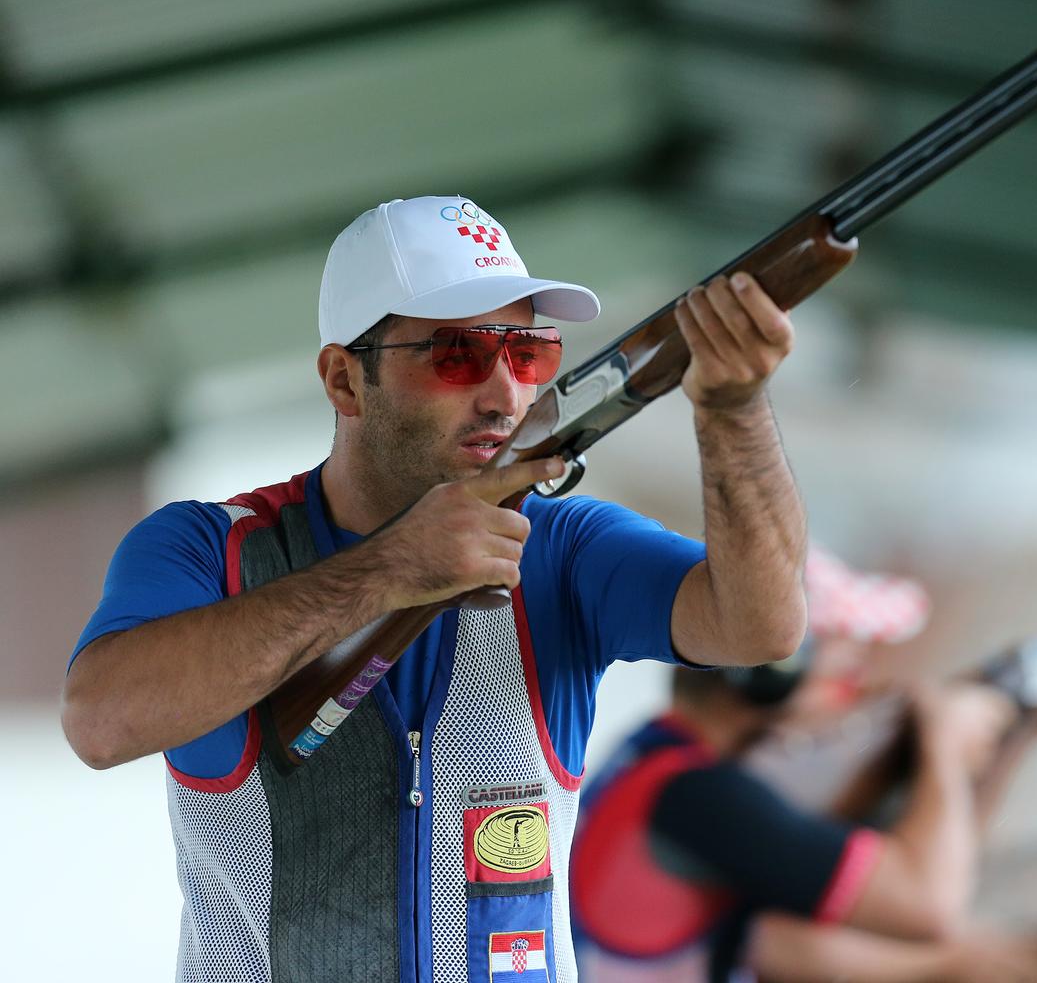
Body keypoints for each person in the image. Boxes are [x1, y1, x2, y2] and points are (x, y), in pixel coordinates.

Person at [61, 195, 808, 983]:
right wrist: (386, 570)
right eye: (456, 353)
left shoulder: (565, 546)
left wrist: (735, 409)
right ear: (345, 380)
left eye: (528, 353)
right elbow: (101, 721)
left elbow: (764, 627)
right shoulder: (208, 548)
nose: (502, 394)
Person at [569, 552, 1037, 983]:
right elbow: (927, 907)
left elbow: (918, 881)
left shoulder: (664, 765)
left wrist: (1018, 731)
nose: (859, 691)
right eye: (847, 670)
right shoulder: (699, 798)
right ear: (772, 671)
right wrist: (944, 745)